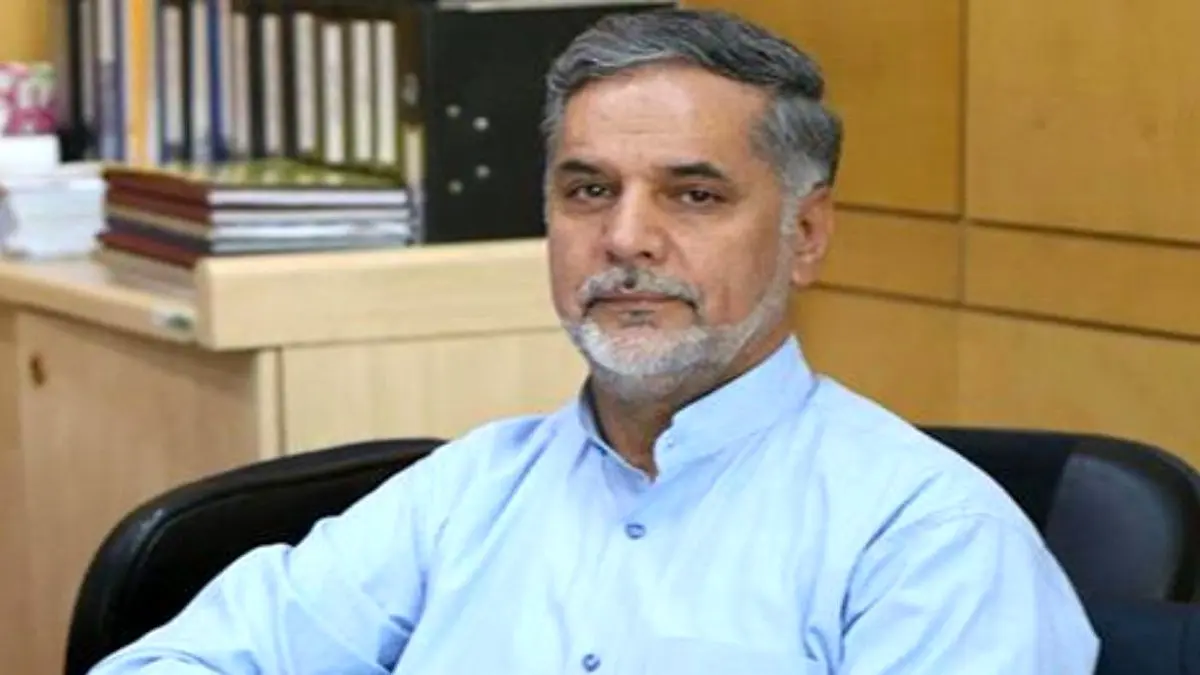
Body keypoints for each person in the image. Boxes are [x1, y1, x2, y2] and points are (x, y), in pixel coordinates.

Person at [88, 8, 1099, 675]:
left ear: (805, 234)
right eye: (588, 190)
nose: (624, 238)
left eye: (693, 195)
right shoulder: (468, 491)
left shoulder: (930, 540)